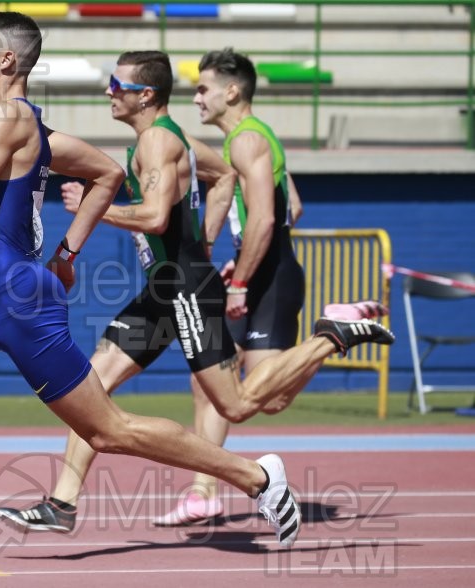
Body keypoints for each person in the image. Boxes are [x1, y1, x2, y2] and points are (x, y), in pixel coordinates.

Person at [0, 13, 308, 571]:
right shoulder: (28, 127)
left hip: (17, 304)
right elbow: (108, 173)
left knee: (110, 431)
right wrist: (66, 255)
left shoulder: (7, 122)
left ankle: (257, 477)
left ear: (7, 61)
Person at [0, 50, 394, 537]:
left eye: (117, 86)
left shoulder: (158, 142)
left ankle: (331, 336)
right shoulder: (169, 138)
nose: (108, 94)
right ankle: (63, 502)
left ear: (145, 95)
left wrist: (96, 206)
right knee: (88, 390)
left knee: (238, 404)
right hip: (163, 287)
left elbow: (157, 217)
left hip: (186, 288)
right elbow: (223, 176)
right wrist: (204, 235)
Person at [153, 47, 389, 525]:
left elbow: (265, 220)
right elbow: (293, 206)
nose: (196, 98)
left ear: (232, 91)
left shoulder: (247, 140)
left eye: (203, 88)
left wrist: (240, 281)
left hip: (268, 279)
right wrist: (237, 260)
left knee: (267, 400)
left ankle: (331, 332)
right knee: (208, 384)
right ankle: (202, 492)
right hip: (257, 270)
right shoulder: (251, 141)